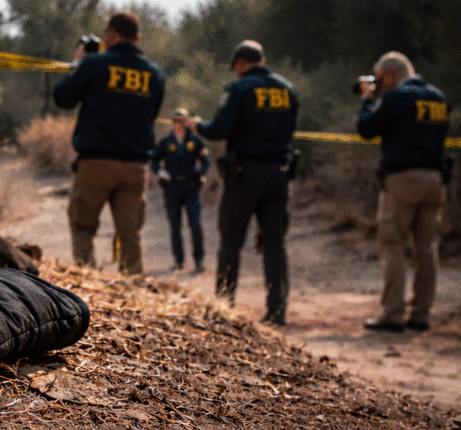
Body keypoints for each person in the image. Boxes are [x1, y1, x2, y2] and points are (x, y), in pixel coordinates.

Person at [187, 40, 299, 325]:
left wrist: (197, 125)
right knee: (275, 243)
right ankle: (278, 309)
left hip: (245, 175)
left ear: (240, 63)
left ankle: (225, 305)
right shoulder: (288, 90)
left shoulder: (238, 89)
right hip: (279, 174)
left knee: (231, 240)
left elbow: (219, 130)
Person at [53, 11, 165, 275]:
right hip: (136, 167)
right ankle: (133, 290)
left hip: (97, 163)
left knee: (83, 227)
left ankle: (87, 283)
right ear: (137, 38)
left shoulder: (95, 64)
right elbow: (150, 115)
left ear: (111, 35)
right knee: (130, 233)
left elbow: (63, 98)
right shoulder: (155, 74)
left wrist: (77, 64)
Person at [357, 52, 450, 333]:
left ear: (391, 74)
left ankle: (393, 314)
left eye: (380, 79)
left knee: (393, 244)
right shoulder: (438, 98)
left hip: (402, 180)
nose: (379, 85)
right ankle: (421, 314)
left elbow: (367, 129)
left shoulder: (397, 97)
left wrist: (366, 100)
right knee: (426, 247)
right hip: (436, 180)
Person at [151, 108, 210, 273]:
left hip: (191, 187)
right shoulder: (166, 142)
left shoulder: (195, 140)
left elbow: (206, 160)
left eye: (182, 120)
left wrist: (202, 174)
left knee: (195, 224)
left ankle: (199, 260)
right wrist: (160, 172)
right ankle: (179, 260)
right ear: (172, 122)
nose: (179, 123)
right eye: (176, 120)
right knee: (175, 226)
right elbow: (154, 160)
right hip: (172, 187)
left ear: (187, 122)